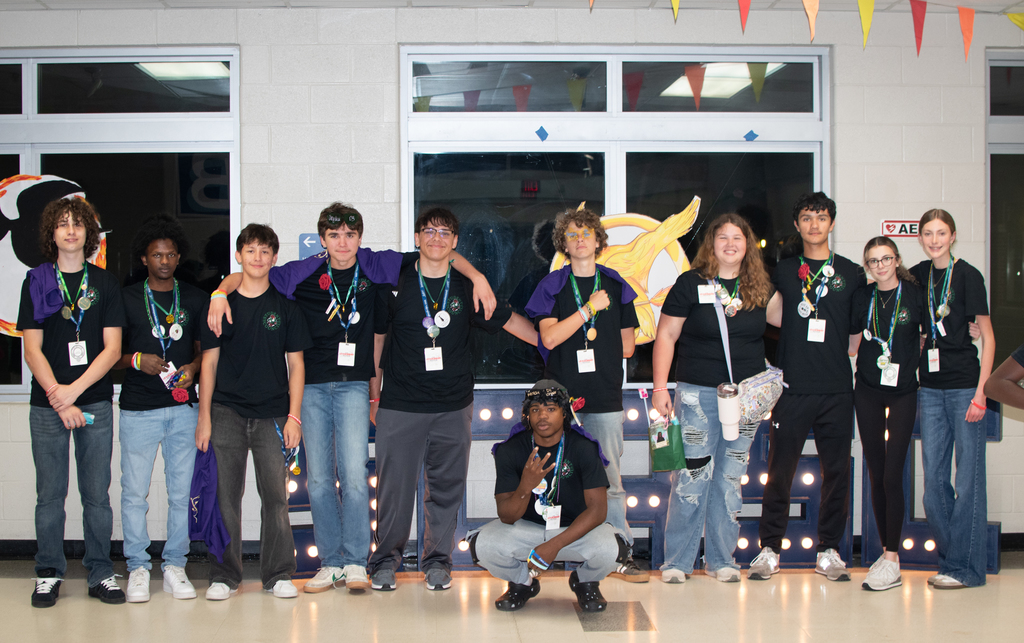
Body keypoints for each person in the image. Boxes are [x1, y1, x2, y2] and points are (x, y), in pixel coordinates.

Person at [207, 205, 499, 593]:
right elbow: (249, 274)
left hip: (353, 387)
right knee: (322, 480)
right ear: (322, 239)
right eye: (334, 236)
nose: (342, 244)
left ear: (359, 238)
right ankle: (331, 561)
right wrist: (217, 292)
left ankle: (357, 561)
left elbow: (439, 252)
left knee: (356, 478)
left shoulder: (377, 265)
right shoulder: (302, 271)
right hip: (310, 387)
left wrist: (478, 276)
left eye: (349, 235)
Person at [369, 207, 537, 592]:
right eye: (429, 231)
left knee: (445, 488)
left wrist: (549, 343)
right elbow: (377, 342)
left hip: (453, 405)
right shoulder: (393, 282)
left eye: (445, 233)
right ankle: (384, 562)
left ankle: (437, 562)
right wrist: (374, 395)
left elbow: (507, 320)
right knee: (393, 490)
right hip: (400, 405)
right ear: (416, 238)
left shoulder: (466, 287)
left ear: (455, 242)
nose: (436, 238)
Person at [651, 213, 781, 584]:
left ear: (748, 245)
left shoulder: (759, 287)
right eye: (722, 237)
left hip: (746, 399)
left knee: (729, 479)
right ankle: (677, 561)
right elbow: (666, 337)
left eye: (737, 238)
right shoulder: (690, 284)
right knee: (693, 476)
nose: (729, 244)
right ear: (711, 244)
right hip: (697, 395)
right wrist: (661, 388)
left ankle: (723, 559)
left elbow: (793, 321)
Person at [749, 192, 866, 582]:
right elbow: (770, 318)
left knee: (836, 473)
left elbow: (855, 336)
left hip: (836, 390)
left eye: (821, 217)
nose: (814, 224)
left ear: (832, 223)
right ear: (797, 225)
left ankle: (829, 550)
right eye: (806, 217)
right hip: (792, 388)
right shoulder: (783, 270)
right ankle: (769, 549)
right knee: (779, 471)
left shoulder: (851, 272)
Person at [525, 207, 646, 582]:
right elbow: (548, 338)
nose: (580, 240)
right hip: (559, 402)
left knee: (610, 480)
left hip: (605, 398)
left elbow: (628, 346)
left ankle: (619, 552)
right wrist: (588, 311)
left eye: (586, 234)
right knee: (555, 475)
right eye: (572, 235)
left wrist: (597, 328)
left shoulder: (617, 282)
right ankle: (550, 550)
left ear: (598, 241)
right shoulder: (553, 285)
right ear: (563, 244)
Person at [17, 197, 126, 607]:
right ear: (52, 234)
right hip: (47, 405)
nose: (70, 230)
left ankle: (100, 572)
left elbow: (112, 350)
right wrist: (60, 401)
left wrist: (74, 392)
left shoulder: (105, 284)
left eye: (78, 224)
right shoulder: (36, 281)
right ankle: (48, 572)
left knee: (96, 494)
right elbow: (32, 351)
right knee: (50, 495)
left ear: (89, 234)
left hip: (94, 401)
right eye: (62, 224)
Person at [195, 223, 313, 600]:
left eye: (265, 251)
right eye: (251, 251)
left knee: (276, 499)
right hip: (226, 412)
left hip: (273, 416)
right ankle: (224, 576)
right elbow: (208, 366)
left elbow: (297, 366)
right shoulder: (218, 307)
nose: (258, 258)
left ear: (274, 258)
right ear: (238, 256)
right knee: (224, 498)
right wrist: (205, 416)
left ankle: (278, 574)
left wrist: (294, 416)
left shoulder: (286, 308)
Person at [116, 215, 205, 603]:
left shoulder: (196, 298)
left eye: (170, 254)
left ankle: (174, 565)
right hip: (138, 410)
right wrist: (137, 360)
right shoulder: (127, 298)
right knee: (134, 492)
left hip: (183, 409)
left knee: (180, 492)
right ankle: (137, 566)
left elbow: (205, 352)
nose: (164, 261)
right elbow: (111, 355)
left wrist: (193, 368)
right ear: (144, 259)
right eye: (157, 255)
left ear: (179, 256)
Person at [472, 380, 619, 613]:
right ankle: (523, 583)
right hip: (527, 529)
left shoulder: (584, 447)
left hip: (573, 531)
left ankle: (584, 581)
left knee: (614, 548)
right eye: (535, 410)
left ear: (564, 413)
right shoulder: (510, 450)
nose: (543, 416)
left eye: (551, 409)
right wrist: (525, 487)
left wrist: (554, 545)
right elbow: (507, 516)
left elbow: (598, 510)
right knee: (482, 545)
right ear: (526, 416)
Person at [909, 209, 995, 589]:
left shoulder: (968, 275)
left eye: (940, 233)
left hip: (965, 388)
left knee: (969, 481)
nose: (934, 240)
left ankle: (967, 570)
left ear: (953, 235)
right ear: (920, 238)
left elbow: (988, 336)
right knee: (934, 485)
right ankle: (950, 561)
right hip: (929, 388)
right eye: (927, 233)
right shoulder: (917, 274)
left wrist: (982, 393)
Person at [851, 237, 924, 591]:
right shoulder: (863, 296)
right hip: (865, 389)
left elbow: (926, 338)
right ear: (867, 266)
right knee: (876, 473)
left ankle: (893, 558)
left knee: (893, 474)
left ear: (896, 260)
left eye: (886, 259)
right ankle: (885, 551)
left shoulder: (913, 294)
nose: (880, 266)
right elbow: (851, 340)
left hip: (904, 392)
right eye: (873, 261)